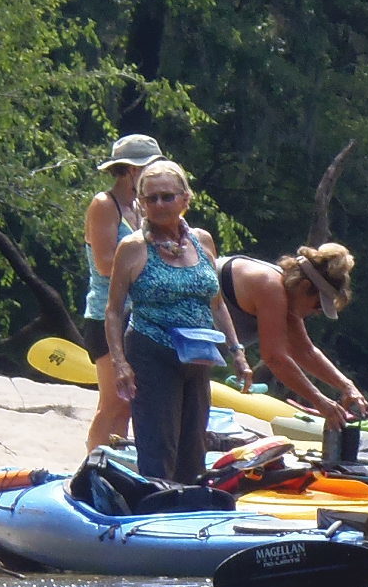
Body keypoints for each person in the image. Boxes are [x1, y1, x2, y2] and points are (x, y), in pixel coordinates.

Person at [103, 159, 244, 484]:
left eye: (167, 196)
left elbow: (217, 302)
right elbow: (113, 310)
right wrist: (120, 364)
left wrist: (237, 352)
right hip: (152, 352)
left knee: (194, 449)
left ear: (185, 199)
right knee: (158, 448)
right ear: (140, 203)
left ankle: (188, 514)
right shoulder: (133, 248)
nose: (159, 204)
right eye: (150, 198)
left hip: (197, 355)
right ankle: (154, 512)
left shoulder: (202, 241)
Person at [215, 245, 368, 429]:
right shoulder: (270, 286)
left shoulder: (287, 293)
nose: (316, 312)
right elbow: (274, 358)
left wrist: (348, 386)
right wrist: (320, 401)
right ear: (304, 287)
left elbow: (306, 351)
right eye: (317, 305)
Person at [79, 134, 158, 449]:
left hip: (137, 316)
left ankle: (114, 466)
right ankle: (91, 464)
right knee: (113, 403)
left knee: (128, 404)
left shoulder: (141, 206)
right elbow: (104, 263)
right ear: (129, 170)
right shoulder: (104, 204)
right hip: (105, 314)